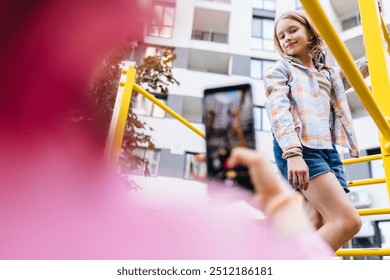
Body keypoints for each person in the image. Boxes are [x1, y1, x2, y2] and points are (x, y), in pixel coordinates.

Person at [0, 0, 332, 260]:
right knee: (343, 221)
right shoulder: (203, 241)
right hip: (304, 151)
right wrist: (278, 201)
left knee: (321, 218)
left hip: (323, 148)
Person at [263, 10, 369, 252]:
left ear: (310, 33)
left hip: (327, 151)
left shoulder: (328, 74)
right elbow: (278, 111)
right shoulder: (280, 70)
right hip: (299, 148)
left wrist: (374, 29)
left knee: (317, 221)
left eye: (293, 30)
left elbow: (359, 71)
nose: (287, 38)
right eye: (281, 36)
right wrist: (293, 153)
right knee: (348, 221)